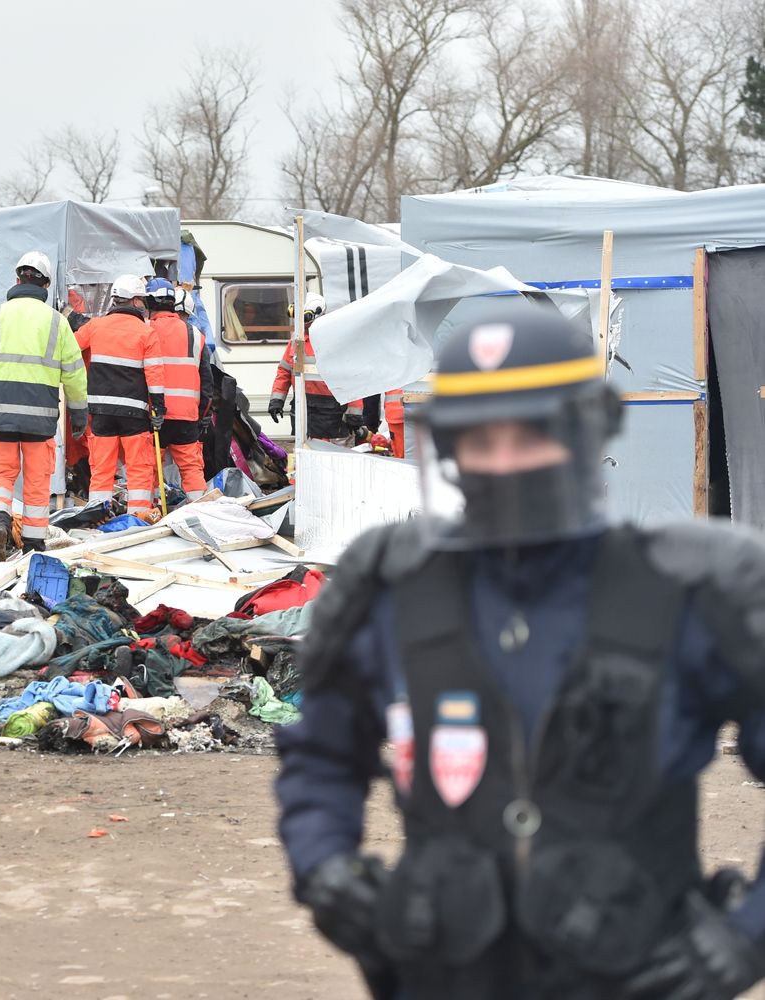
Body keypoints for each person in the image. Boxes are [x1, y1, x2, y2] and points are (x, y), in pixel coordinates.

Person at [275, 304, 765, 1000]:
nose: (505, 462)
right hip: (444, 973)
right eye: (480, 439)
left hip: (634, 973)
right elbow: (322, 753)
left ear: (589, 426)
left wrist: (746, 935)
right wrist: (324, 867)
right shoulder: (390, 588)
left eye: (532, 433)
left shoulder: (693, 590)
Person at [0, 251, 87, 562]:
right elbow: (73, 372)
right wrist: (79, 412)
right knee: (37, 482)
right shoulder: (57, 322)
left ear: (17, 280)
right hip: (40, 420)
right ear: (45, 285)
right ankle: (32, 546)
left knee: (0, 477)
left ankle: (0, 522)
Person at [73, 275, 165, 520]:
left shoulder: (95, 326)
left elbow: (70, 350)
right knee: (138, 470)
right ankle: (137, 519)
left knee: (101, 469)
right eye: (142, 300)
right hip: (134, 414)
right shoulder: (147, 333)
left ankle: (97, 516)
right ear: (135, 301)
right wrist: (159, 409)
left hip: (101, 413)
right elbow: (154, 375)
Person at [147, 277, 213, 502]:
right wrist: (203, 415)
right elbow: (207, 381)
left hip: (153, 414)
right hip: (187, 416)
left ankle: (150, 512)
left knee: (150, 468)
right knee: (192, 469)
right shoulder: (196, 335)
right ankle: (200, 510)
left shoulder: (146, 330)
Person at [267, 292, 363, 442]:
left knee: (332, 457)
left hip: (332, 411)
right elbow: (284, 371)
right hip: (303, 407)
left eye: (304, 318)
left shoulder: (335, 341)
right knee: (304, 452)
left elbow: (351, 376)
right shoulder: (296, 340)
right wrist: (277, 400)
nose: (300, 323)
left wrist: (354, 411)